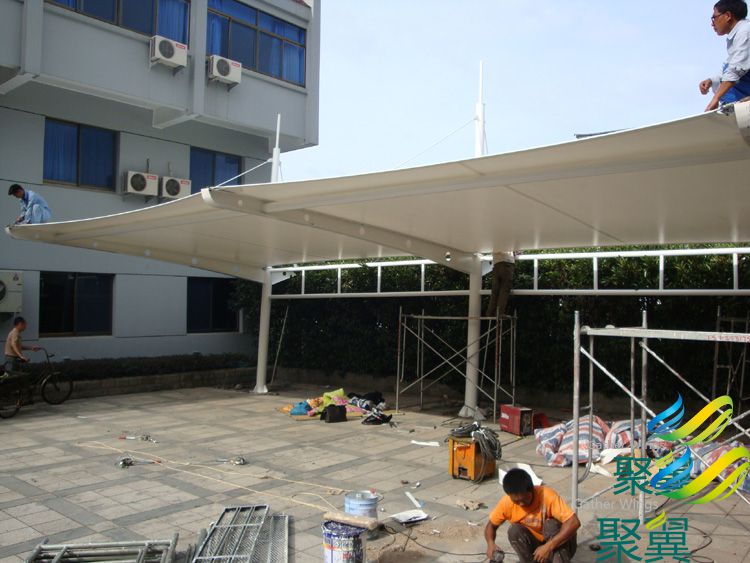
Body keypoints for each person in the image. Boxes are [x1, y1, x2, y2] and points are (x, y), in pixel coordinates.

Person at [485, 468, 580, 563]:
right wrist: (490, 543)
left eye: (525, 499)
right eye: (516, 501)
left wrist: (548, 546)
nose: (521, 504)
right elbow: (491, 525)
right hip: (537, 546)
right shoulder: (507, 503)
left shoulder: (547, 496)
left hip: (560, 545)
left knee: (551, 525)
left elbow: (574, 522)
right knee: (514, 531)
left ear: (532, 490)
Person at [700, 0, 750, 111]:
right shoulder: (740, 32)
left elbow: (736, 69)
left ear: (727, 16)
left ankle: (731, 110)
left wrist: (716, 98)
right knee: (725, 78)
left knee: (729, 81)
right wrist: (712, 81)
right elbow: (730, 65)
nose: (712, 23)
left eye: (714, 18)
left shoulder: (745, 32)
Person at [486, 251, 515, 317]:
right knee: (505, 289)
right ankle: (500, 312)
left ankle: (490, 312)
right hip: (506, 263)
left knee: (495, 291)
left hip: (496, 264)